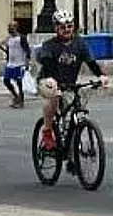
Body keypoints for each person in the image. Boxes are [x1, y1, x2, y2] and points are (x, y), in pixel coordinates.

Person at [35, 10, 109, 151]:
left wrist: (101, 76)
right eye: (62, 27)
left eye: (69, 26)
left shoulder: (80, 44)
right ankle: (47, 132)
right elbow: (47, 62)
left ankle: (71, 154)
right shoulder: (49, 45)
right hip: (47, 80)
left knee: (72, 114)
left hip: (69, 84)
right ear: (56, 28)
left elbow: (91, 62)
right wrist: (51, 78)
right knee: (54, 96)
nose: (67, 30)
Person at [0, 21, 31, 109]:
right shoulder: (9, 38)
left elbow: (28, 51)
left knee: (19, 82)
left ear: (16, 28)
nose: (9, 29)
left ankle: (21, 100)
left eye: (11, 27)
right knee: (6, 80)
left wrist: (27, 63)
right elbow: (0, 44)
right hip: (11, 64)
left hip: (20, 64)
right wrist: (7, 52)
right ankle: (15, 95)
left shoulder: (21, 38)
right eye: (9, 27)